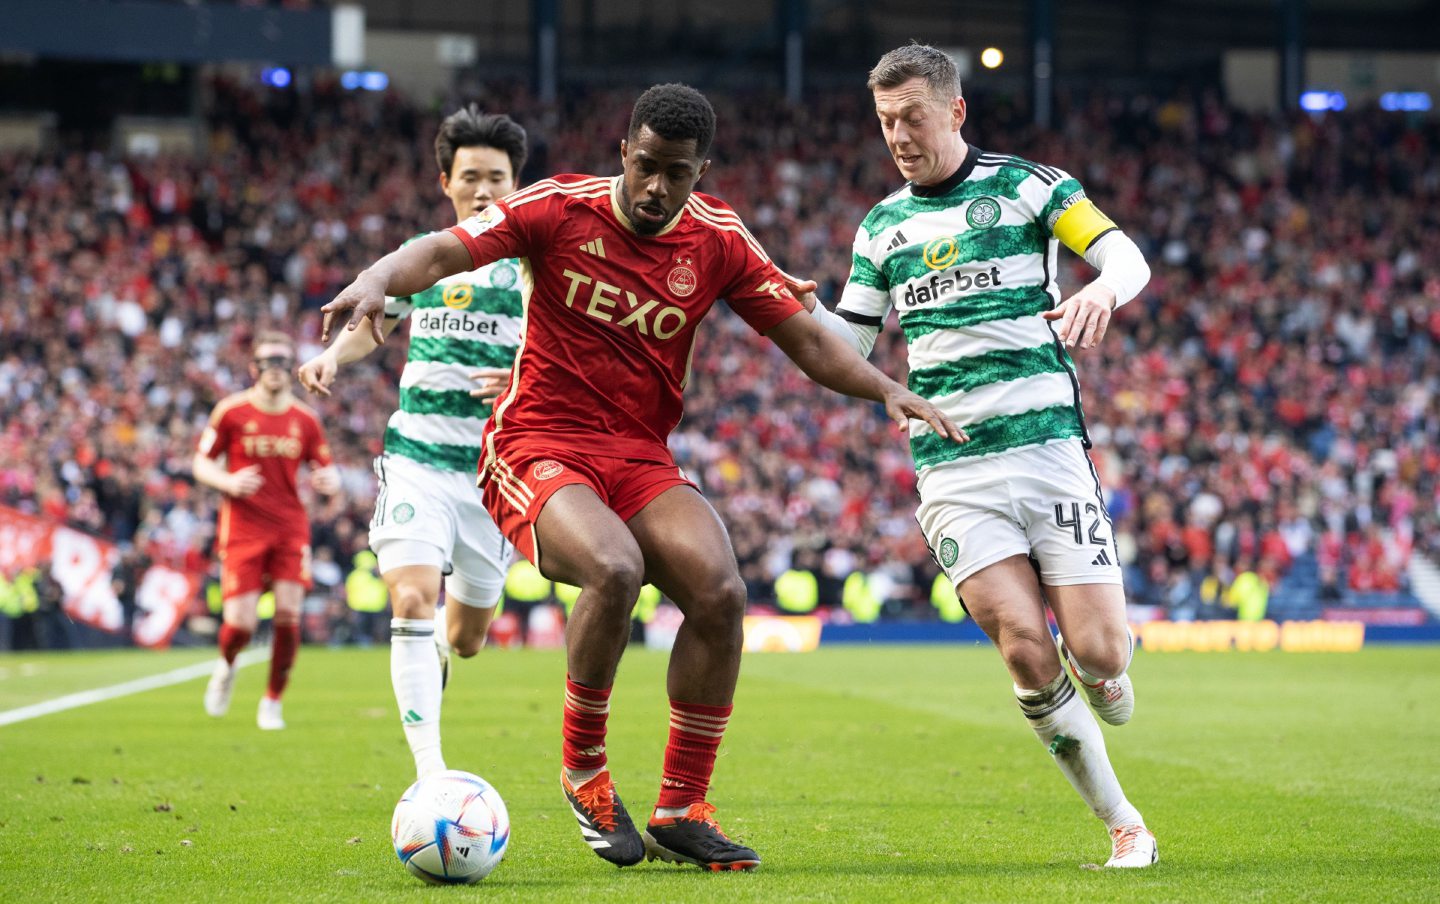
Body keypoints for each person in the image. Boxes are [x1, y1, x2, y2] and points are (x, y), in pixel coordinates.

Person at [319, 83, 965, 872]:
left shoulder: (718, 238)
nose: (659, 188)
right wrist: (380, 277)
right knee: (613, 567)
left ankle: (682, 805)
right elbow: (443, 251)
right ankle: (584, 770)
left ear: (702, 170)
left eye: (679, 173)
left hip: (638, 454)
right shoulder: (560, 207)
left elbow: (806, 339)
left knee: (721, 591)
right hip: (535, 442)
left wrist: (887, 387)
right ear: (625, 152)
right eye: (648, 166)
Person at [796, 44, 1157, 868]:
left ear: (955, 111)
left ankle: (1104, 671)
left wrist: (1100, 287)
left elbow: (1123, 256)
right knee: (1026, 650)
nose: (898, 134)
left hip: (1047, 453)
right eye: (886, 121)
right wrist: (795, 312)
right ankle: (1123, 822)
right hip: (953, 470)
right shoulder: (882, 227)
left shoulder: (1029, 186)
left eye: (913, 116)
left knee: (1097, 650)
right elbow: (846, 349)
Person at [298, 108, 528, 778]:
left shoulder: (535, 265)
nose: (485, 190)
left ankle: (442, 655)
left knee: (466, 638)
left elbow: (574, 351)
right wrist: (335, 358)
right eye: (472, 178)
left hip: (493, 476)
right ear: (445, 182)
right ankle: (432, 777)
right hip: (418, 460)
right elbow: (377, 321)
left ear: (518, 184)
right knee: (409, 600)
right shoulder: (429, 254)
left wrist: (520, 376)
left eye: (498, 178)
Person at [193, 331, 340, 730]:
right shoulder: (231, 411)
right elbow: (201, 463)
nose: (274, 369)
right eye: (267, 361)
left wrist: (331, 481)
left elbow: (325, 470)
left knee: (289, 616)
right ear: (254, 368)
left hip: (290, 527)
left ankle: (272, 700)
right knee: (239, 623)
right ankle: (226, 665)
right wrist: (227, 482)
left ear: (291, 369)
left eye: (282, 361)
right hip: (242, 527)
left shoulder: (306, 419)